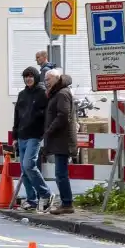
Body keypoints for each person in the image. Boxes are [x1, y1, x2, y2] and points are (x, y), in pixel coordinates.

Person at [12, 66, 51, 211]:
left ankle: (46, 193)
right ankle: (31, 199)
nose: (28, 79)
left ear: (36, 78)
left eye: (31, 76)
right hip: (22, 135)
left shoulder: (42, 93)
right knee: (24, 169)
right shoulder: (22, 94)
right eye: (26, 76)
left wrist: (41, 128)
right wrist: (15, 135)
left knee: (29, 165)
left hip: (34, 135)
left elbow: (46, 114)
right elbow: (17, 116)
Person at [43, 69, 77, 214]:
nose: (46, 82)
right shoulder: (59, 92)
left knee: (61, 174)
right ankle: (66, 202)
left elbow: (63, 115)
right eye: (45, 80)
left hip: (63, 139)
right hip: (60, 139)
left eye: (48, 79)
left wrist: (49, 130)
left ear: (57, 79)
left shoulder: (62, 93)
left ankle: (67, 203)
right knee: (60, 173)